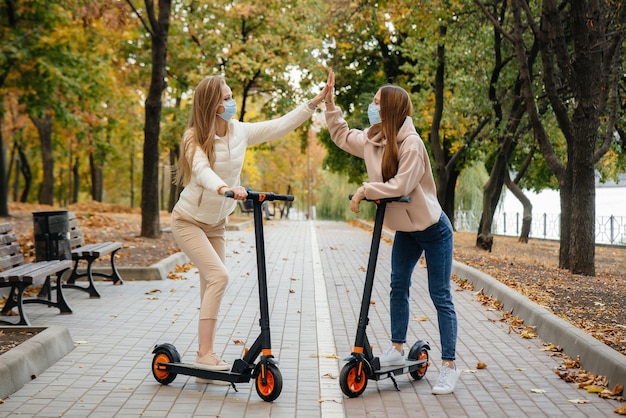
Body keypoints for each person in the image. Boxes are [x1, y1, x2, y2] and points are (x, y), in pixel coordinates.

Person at [171, 73, 331, 383]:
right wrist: (225, 189)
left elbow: (278, 126)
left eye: (231, 96)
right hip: (188, 220)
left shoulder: (239, 131)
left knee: (210, 284)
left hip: (217, 223)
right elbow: (202, 171)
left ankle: (204, 357)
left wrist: (314, 103)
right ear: (212, 104)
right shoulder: (194, 137)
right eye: (227, 98)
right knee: (219, 276)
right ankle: (205, 354)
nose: (231, 103)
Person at [323, 69, 460, 395]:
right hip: (405, 231)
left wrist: (364, 190)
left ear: (391, 111)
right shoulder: (374, 140)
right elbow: (342, 135)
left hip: (433, 230)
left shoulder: (412, 145)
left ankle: (450, 366)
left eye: (376, 103)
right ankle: (397, 348)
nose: (372, 107)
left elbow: (401, 185)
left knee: (440, 295)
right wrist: (329, 103)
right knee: (398, 285)